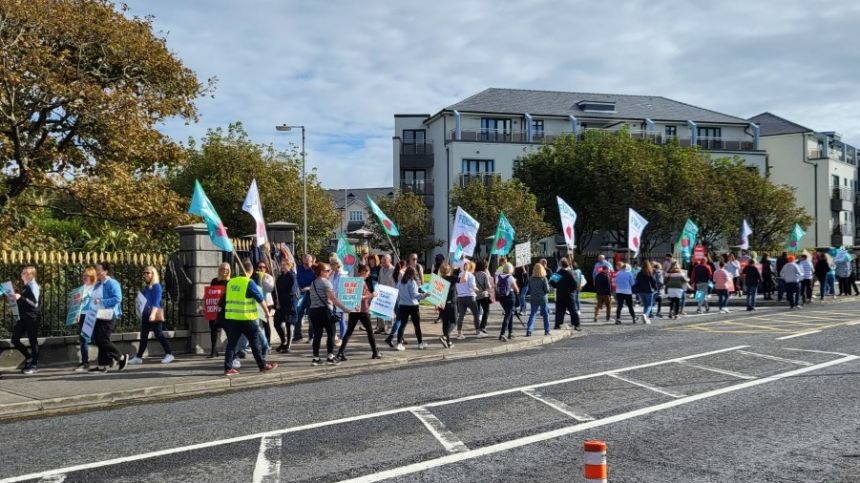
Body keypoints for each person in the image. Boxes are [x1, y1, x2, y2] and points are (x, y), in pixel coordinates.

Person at [222, 261, 278, 375]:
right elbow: (260, 298)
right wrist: (267, 312)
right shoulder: (249, 282)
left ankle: (228, 368)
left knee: (231, 344)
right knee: (254, 342)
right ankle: (262, 365)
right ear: (251, 271)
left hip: (232, 318)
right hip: (247, 318)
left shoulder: (231, 282)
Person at [308, 262, 351, 366]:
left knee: (317, 335)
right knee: (331, 334)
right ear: (322, 272)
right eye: (327, 270)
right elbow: (333, 299)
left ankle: (316, 358)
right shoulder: (326, 283)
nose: (329, 272)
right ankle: (330, 357)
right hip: (325, 311)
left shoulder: (313, 283)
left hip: (313, 311)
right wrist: (345, 309)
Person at [128, 266, 173, 365]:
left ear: (153, 274)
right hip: (146, 314)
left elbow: (156, 302)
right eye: (144, 273)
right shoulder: (147, 287)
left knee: (159, 334)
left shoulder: (157, 286)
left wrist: (152, 314)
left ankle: (169, 354)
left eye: (148, 273)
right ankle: (138, 357)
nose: (145, 275)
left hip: (154, 314)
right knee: (143, 336)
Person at [88, 262, 128, 373]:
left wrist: (102, 301)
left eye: (98, 270)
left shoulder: (112, 283)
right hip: (98, 315)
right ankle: (102, 365)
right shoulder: (98, 284)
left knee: (103, 339)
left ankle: (121, 357)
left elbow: (117, 298)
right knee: (98, 339)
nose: (96, 272)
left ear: (105, 271)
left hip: (109, 314)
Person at [337, 264, 381, 361]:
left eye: (367, 272)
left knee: (349, 332)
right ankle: (375, 352)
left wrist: (372, 294)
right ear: (361, 272)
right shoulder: (360, 282)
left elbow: (361, 294)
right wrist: (370, 296)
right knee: (369, 332)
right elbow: (359, 297)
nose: (366, 274)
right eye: (364, 272)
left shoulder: (356, 281)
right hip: (362, 310)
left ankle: (340, 352)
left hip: (354, 310)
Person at [11, 266, 42, 375]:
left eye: (23, 273)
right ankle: (29, 357)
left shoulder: (34, 286)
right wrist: (15, 299)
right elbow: (24, 303)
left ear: (30, 275)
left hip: (32, 317)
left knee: (33, 341)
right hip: (24, 317)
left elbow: (35, 304)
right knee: (14, 339)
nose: (21, 275)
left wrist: (21, 298)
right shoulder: (26, 286)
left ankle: (34, 365)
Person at [395, 266, 431, 350]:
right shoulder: (412, 282)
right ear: (413, 274)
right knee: (416, 325)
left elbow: (397, 294)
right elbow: (415, 295)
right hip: (413, 306)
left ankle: (399, 343)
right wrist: (425, 295)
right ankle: (420, 343)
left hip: (402, 305)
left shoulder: (400, 282)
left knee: (402, 325)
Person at [74, 267, 98, 372]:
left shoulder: (95, 288)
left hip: (92, 315)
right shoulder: (82, 288)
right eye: (84, 276)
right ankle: (85, 362)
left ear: (92, 277)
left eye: (86, 276)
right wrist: (77, 314)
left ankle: (111, 356)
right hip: (83, 315)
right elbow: (78, 304)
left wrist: (88, 299)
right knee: (83, 339)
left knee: (96, 339)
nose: (84, 278)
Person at [274, 257, 298, 353]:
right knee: (277, 322)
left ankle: (288, 344)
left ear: (290, 266)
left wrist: (281, 301)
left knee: (289, 323)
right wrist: (277, 301)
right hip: (280, 303)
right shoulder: (280, 277)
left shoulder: (292, 276)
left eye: (285, 265)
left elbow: (291, 291)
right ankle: (283, 341)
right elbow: (276, 290)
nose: (282, 266)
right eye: (282, 265)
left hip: (289, 302)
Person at [207, 263, 231, 358]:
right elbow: (210, 294)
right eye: (222, 269)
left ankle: (231, 350)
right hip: (215, 308)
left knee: (228, 330)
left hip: (225, 309)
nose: (224, 271)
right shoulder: (214, 281)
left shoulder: (230, 282)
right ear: (219, 270)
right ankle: (213, 351)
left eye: (226, 269)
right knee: (213, 329)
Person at [253, 261, 276, 347]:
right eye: (260, 267)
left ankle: (268, 343)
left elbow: (270, 289)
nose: (262, 269)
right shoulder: (254, 277)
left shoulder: (269, 277)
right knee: (257, 324)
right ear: (257, 268)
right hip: (257, 303)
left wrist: (263, 280)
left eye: (264, 267)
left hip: (267, 302)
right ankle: (258, 343)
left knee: (266, 323)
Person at [553, 258, 580, 330]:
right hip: (570, 295)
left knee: (560, 310)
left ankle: (557, 324)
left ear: (561, 265)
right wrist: (572, 290)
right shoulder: (570, 273)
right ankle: (576, 324)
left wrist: (557, 286)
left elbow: (552, 283)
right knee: (573, 310)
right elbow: (575, 284)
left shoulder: (558, 273)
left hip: (560, 294)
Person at [455, 260, 480, 339]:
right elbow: (473, 286)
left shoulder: (459, 275)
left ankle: (459, 333)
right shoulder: (471, 275)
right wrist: (478, 290)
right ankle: (477, 331)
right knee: (476, 314)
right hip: (470, 296)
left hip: (460, 297)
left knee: (461, 315)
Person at [437, 263, 460, 348]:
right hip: (451, 304)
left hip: (442, 304)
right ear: (449, 270)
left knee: (445, 323)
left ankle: (449, 342)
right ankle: (445, 336)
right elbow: (463, 280)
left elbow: (437, 293)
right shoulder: (452, 278)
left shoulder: (439, 280)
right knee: (454, 322)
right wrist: (465, 271)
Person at [295, 254, 316, 342]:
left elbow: (318, 283)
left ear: (312, 262)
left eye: (307, 264)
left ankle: (311, 336)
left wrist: (309, 288)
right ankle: (297, 336)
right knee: (298, 315)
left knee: (311, 317)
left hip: (311, 295)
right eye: (304, 263)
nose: (305, 265)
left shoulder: (315, 270)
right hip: (300, 295)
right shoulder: (298, 268)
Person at [495, 263, 519, 341]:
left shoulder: (498, 277)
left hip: (501, 298)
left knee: (510, 313)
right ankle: (502, 334)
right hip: (510, 297)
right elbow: (516, 289)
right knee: (508, 315)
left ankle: (510, 333)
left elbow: (496, 287)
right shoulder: (510, 277)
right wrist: (517, 291)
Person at [526, 263, 550, 336]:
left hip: (533, 297)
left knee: (533, 314)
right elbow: (547, 289)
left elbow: (529, 289)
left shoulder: (530, 278)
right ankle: (547, 330)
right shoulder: (543, 278)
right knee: (545, 314)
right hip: (542, 298)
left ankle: (529, 330)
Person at [375, 254, 396, 334]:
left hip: (390, 293)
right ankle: (381, 327)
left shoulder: (394, 270)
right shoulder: (381, 269)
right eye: (382, 261)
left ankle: (390, 327)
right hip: (381, 292)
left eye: (384, 261)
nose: (382, 262)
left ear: (389, 261)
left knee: (389, 311)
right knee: (379, 310)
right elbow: (379, 279)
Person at [474, 259, 494, 335]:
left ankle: (477, 328)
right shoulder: (484, 274)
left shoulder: (473, 274)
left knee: (476, 313)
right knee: (486, 311)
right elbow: (488, 286)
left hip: (475, 296)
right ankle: (482, 326)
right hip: (483, 295)